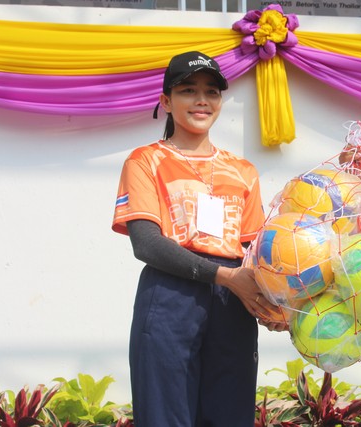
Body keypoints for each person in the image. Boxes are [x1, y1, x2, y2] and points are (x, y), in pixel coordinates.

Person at [112, 51, 282, 427]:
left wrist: (276, 300)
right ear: (166, 101)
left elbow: (254, 251)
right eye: (188, 90)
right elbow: (146, 243)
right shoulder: (145, 161)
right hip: (171, 293)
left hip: (233, 300)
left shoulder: (243, 170)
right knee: (165, 416)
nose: (201, 100)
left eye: (211, 91)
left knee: (231, 414)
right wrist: (225, 277)